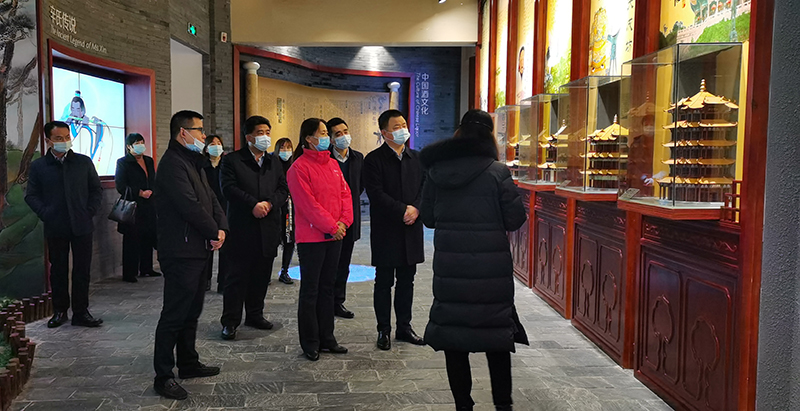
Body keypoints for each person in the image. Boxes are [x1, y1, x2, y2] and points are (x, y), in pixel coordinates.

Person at [419, 110, 528, 411]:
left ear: (459, 133)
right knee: (496, 338)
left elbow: (428, 218)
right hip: (491, 272)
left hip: (450, 270)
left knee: (454, 339)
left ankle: (463, 406)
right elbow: (515, 219)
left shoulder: (437, 171)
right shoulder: (497, 172)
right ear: (489, 136)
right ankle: (503, 406)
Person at [153, 110, 227, 400]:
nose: (204, 136)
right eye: (199, 130)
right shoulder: (172, 163)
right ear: (183, 133)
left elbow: (211, 199)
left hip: (198, 248)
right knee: (174, 314)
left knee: (192, 311)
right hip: (180, 250)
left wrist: (221, 227)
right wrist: (213, 230)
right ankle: (163, 375)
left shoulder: (193, 161)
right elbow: (189, 205)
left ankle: (188, 362)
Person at [25, 121, 104, 328]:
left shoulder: (83, 162)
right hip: (56, 226)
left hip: (82, 225)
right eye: (59, 138)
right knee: (58, 270)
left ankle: (81, 312)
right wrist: (46, 213)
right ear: (48, 140)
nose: (64, 141)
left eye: (67, 137)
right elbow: (31, 195)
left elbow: (96, 190)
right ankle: (60, 311)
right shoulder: (39, 166)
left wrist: (89, 211)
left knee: (82, 271)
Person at [287, 118, 352, 361]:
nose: (327, 138)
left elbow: (346, 195)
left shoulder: (333, 164)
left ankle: (328, 338)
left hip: (335, 235)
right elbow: (308, 205)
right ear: (308, 138)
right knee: (311, 290)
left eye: (327, 133)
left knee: (328, 288)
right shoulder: (298, 168)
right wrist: (331, 226)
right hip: (312, 238)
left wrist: (343, 223)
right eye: (322, 133)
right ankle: (310, 342)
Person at [219, 116, 289, 340]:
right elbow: (228, 188)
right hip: (242, 228)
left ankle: (255, 315)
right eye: (260, 132)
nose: (265, 136)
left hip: (268, 227)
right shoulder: (232, 161)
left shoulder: (274, 161)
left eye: (268, 132)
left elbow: (283, 189)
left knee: (261, 276)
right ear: (248, 136)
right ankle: (230, 321)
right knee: (236, 277)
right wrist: (253, 205)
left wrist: (269, 204)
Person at [363, 109, 425, 350]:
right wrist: (402, 210)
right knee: (384, 282)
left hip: (411, 228)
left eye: (404, 125)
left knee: (407, 281)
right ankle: (383, 330)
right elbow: (375, 193)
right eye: (396, 127)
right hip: (386, 229)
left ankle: (404, 327)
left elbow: (425, 187)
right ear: (384, 132)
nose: (402, 130)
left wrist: (416, 208)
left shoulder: (416, 158)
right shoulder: (373, 160)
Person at [326, 117, 364, 319]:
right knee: (329, 264)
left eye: (345, 131)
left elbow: (360, 186)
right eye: (338, 134)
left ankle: (338, 302)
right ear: (331, 139)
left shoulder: (358, 158)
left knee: (344, 264)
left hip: (350, 219)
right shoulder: (325, 158)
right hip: (329, 220)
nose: (343, 136)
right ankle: (325, 300)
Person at [114, 133, 160, 283]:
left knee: (148, 235)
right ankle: (129, 272)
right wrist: (139, 193)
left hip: (149, 205)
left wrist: (152, 191)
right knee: (132, 239)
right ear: (129, 146)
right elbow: (120, 185)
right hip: (133, 206)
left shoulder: (148, 160)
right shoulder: (123, 162)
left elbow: (153, 179)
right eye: (137, 143)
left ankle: (146, 268)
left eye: (142, 142)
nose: (141, 145)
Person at [202, 134, 230, 293]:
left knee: (226, 248)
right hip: (207, 209)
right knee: (208, 246)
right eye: (212, 144)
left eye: (219, 143)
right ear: (206, 148)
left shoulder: (227, 164)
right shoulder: (201, 166)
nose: (216, 146)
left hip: (225, 208)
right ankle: (205, 280)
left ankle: (223, 281)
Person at [274, 137, 296, 285]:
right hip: (276, 207)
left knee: (289, 239)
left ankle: (285, 270)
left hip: (291, 208)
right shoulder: (272, 166)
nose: (286, 151)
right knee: (273, 240)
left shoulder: (295, 165)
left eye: (288, 148)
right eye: (282, 148)